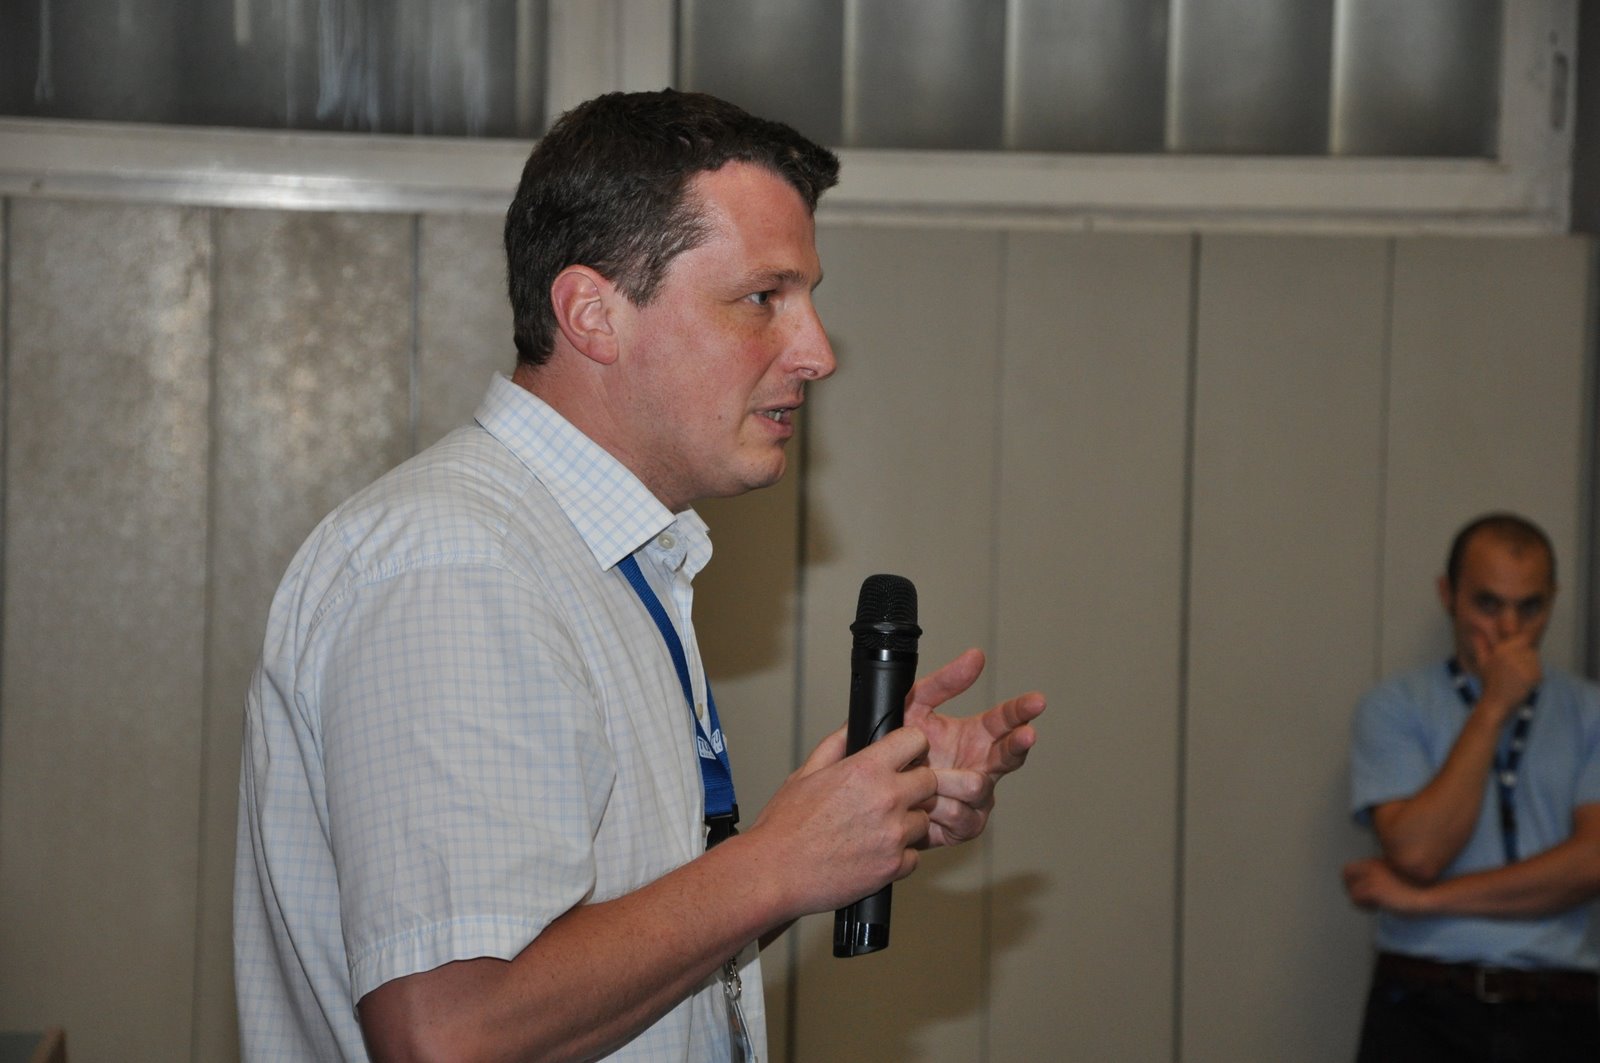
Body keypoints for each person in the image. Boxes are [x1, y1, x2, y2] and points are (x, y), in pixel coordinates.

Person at [233, 88, 1044, 1063]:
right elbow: (449, 1032)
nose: (818, 353)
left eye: (809, 299)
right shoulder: (457, 565)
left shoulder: (601, 556)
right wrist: (775, 862)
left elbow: (598, 981)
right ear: (593, 314)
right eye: (763, 298)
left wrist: (833, 828)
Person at [1343, 512, 1600, 1061]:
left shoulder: (1590, 713)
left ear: (1553, 602)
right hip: (1424, 999)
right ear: (1448, 596)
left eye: (1529, 607)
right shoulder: (1393, 707)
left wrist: (1424, 901)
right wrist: (1492, 708)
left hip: (1559, 1005)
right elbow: (1418, 853)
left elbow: (1590, 865)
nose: (1509, 629)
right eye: (1488, 604)